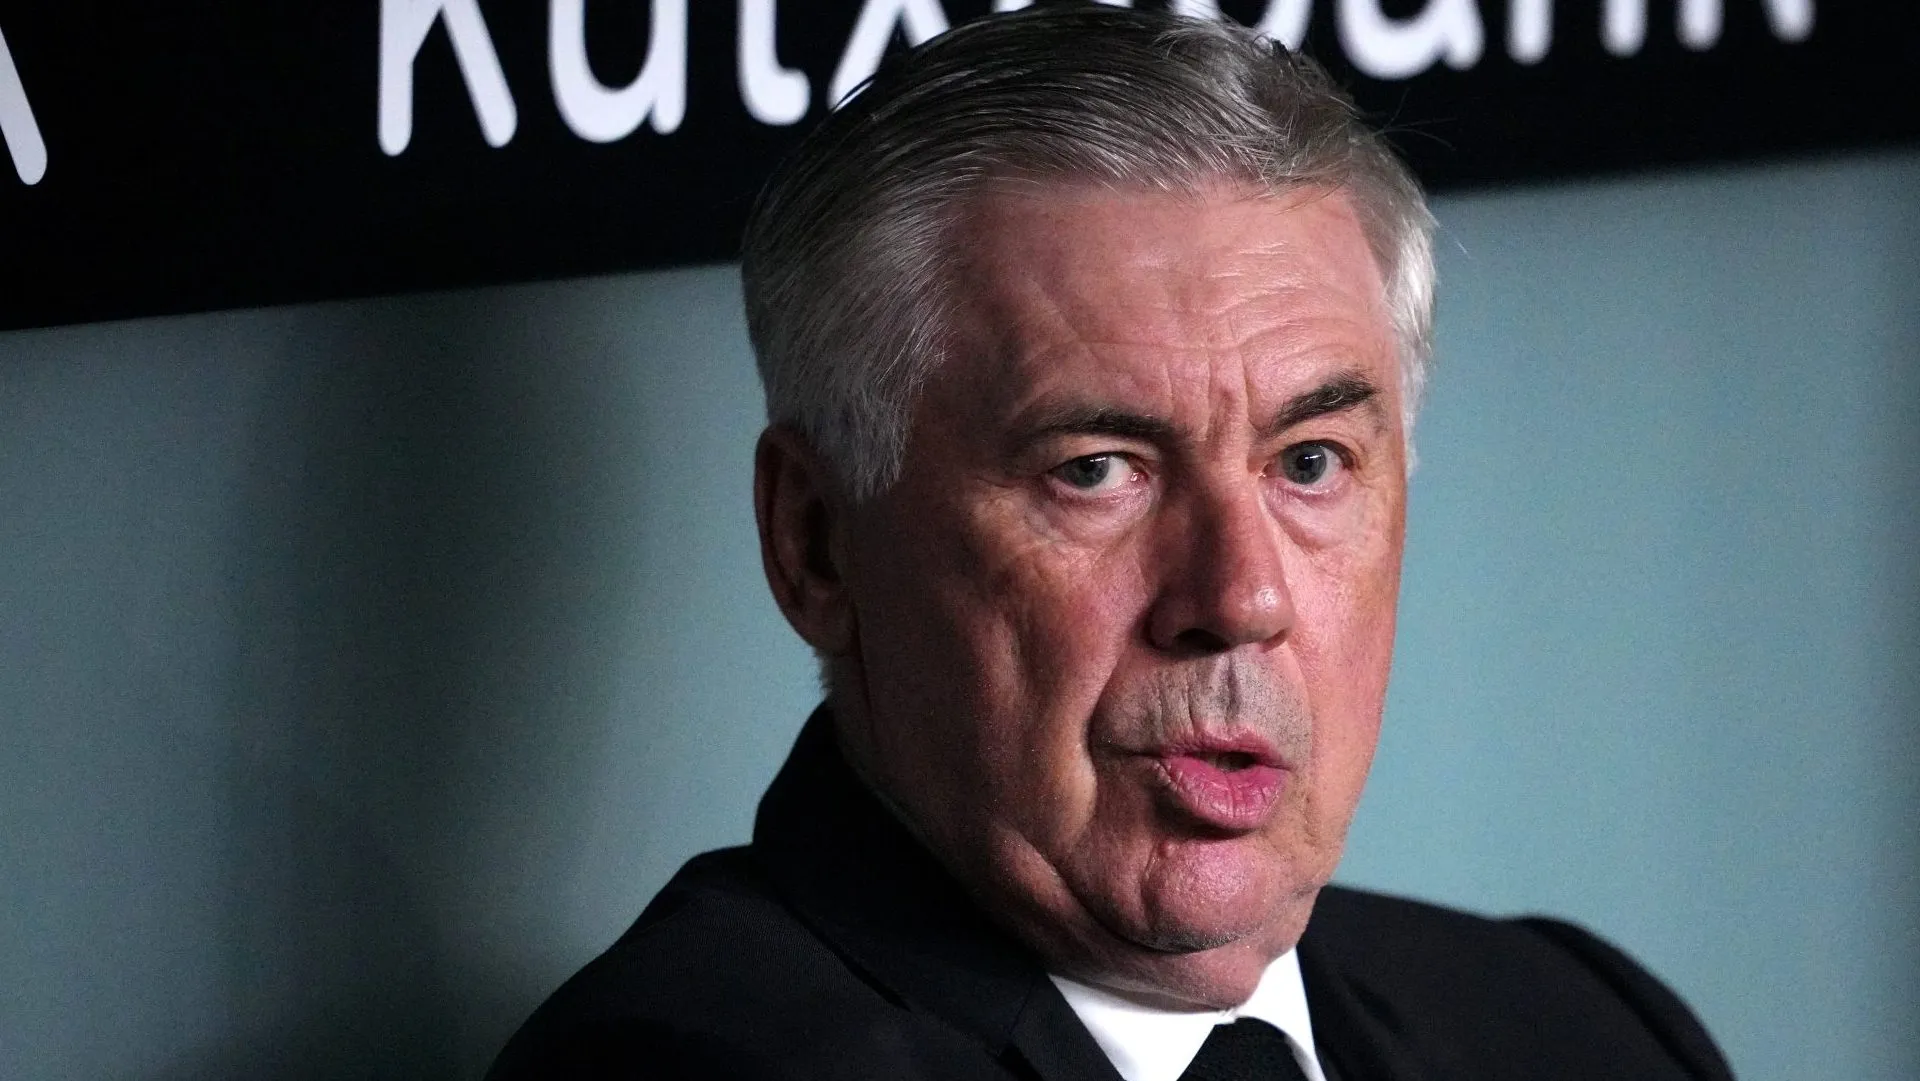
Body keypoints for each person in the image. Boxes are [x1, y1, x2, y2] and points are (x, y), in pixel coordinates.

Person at [488, 6, 1736, 1079]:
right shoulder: (691, 1064)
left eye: (1309, 464)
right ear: (817, 545)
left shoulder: (1574, 1026)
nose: (1238, 597)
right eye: (1097, 472)